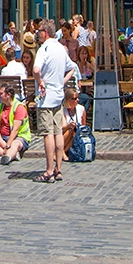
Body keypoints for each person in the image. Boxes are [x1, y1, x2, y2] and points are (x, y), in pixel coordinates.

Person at [33, 18, 79, 182]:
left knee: (48, 134)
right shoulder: (61, 48)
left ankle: (49, 170)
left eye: (39, 31)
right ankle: (59, 169)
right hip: (58, 94)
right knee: (58, 131)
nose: (37, 34)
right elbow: (72, 67)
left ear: (45, 32)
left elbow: (36, 69)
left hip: (46, 97)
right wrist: (62, 81)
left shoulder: (43, 49)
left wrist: (40, 81)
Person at [0, 81, 30, 165]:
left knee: (15, 144)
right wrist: (1, 141)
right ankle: (10, 154)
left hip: (19, 137)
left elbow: (15, 129)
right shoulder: (0, 106)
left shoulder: (19, 107)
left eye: (1, 93)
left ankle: (7, 157)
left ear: (8, 95)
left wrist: (8, 145)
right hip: (3, 137)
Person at [60, 87, 87, 160]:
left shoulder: (81, 108)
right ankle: (61, 151)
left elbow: (84, 125)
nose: (77, 100)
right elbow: (61, 129)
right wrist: (69, 126)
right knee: (70, 130)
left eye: (77, 98)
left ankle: (62, 152)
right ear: (69, 100)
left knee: (75, 132)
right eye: (75, 99)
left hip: (76, 135)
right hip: (64, 134)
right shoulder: (63, 110)